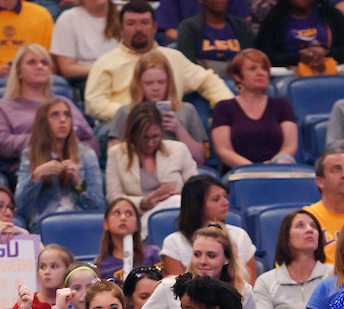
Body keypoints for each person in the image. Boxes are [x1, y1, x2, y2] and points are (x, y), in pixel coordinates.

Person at [84, 0, 233, 123]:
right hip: (124, 124)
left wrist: (227, 106)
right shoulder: (106, 62)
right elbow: (94, 104)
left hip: (169, 124)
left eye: (145, 22)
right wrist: (133, 113)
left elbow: (207, 80)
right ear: (121, 28)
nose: (138, 29)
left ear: (154, 27)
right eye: (131, 23)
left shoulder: (173, 57)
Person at [0, 44, 99, 175]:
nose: (40, 66)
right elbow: (2, 144)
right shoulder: (3, 107)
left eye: (44, 62)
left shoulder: (65, 103)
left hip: (71, 169)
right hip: (28, 171)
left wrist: (74, 151)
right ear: (18, 72)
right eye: (32, 62)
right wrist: (45, 140)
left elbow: (90, 140)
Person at [135, 224, 260, 309]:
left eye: (211, 256)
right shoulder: (170, 287)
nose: (202, 261)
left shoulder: (243, 290)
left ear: (226, 259)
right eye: (197, 254)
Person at [105, 101, 198, 229]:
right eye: (145, 138)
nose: (150, 143)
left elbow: (197, 189)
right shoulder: (116, 154)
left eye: (155, 136)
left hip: (176, 214)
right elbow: (114, 198)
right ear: (133, 135)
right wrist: (143, 202)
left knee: (176, 202)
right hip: (137, 218)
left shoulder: (179, 149)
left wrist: (180, 195)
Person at [17, 97, 105, 232]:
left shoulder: (87, 155)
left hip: (81, 225)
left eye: (67, 115)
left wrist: (79, 182)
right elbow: (21, 207)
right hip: (43, 227)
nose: (63, 120)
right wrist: (36, 176)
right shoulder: (29, 155)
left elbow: (99, 207)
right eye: (55, 115)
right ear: (43, 122)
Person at [108, 50, 209, 166]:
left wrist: (178, 129)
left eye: (161, 82)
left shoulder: (187, 110)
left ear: (169, 82)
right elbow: (114, 158)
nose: (156, 88)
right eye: (149, 83)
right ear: (139, 84)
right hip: (138, 168)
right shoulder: (126, 112)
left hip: (178, 167)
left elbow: (200, 158)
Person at [253, 208, 329, 309]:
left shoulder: (334, 274)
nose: (309, 230)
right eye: (300, 225)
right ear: (286, 239)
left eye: (313, 226)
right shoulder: (266, 281)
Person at [210, 48, 298, 168]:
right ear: (237, 76)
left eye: (264, 69)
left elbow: (290, 146)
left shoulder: (282, 105)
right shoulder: (223, 107)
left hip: (276, 169)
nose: (261, 73)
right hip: (238, 171)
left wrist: (271, 167)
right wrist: (254, 170)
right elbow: (224, 151)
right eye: (252, 69)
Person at [160, 175, 256, 277]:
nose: (226, 202)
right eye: (216, 199)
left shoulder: (240, 236)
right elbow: (176, 285)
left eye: (225, 196)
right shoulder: (174, 242)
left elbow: (250, 283)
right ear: (196, 205)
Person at [254, 0, 344, 73]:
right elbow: (267, 58)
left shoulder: (332, 15)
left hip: (330, 71)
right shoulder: (274, 19)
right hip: (289, 74)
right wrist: (299, 57)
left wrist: (326, 52)